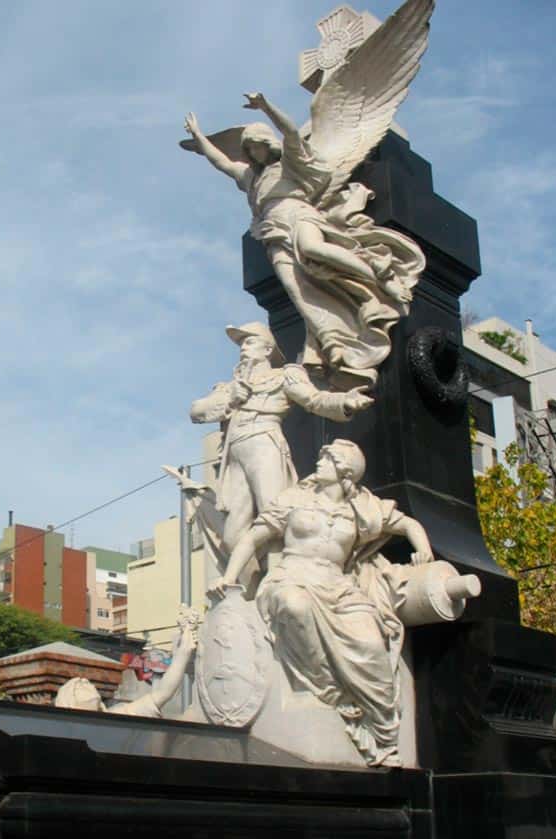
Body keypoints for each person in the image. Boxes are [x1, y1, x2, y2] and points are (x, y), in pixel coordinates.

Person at [208, 439, 433, 767]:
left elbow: (407, 524)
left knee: (372, 645)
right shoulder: (294, 499)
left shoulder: (362, 509)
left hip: (339, 588)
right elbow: (254, 537)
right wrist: (228, 577)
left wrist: (423, 549)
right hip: (291, 577)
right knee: (294, 605)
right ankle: (332, 694)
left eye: (327, 460)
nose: (319, 463)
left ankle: (382, 737)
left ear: (345, 473)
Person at [184, 94, 425, 386]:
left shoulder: (289, 163)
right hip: (273, 235)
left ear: (267, 143)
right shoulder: (250, 178)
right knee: (297, 291)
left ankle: (382, 277)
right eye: (249, 149)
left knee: (313, 249)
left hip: (298, 215)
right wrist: (199, 136)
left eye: (257, 145)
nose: (253, 153)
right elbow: (221, 161)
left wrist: (266, 107)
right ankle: (332, 343)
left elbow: (290, 131)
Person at [189, 321, 372, 553]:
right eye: (241, 343)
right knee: (232, 535)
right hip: (233, 454)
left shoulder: (284, 376)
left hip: (264, 442)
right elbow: (197, 412)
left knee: (273, 514)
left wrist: (344, 401)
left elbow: (314, 400)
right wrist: (231, 398)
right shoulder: (229, 387)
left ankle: (281, 575)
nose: (243, 347)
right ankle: (244, 586)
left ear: (267, 349)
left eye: (250, 341)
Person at [55, 612, 198, 718]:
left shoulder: (121, 714)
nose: (83, 680)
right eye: (77, 687)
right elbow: (162, 694)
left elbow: (163, 693)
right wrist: (182, 653)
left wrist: (182, 653)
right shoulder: (117, 718)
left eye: (83, 683)